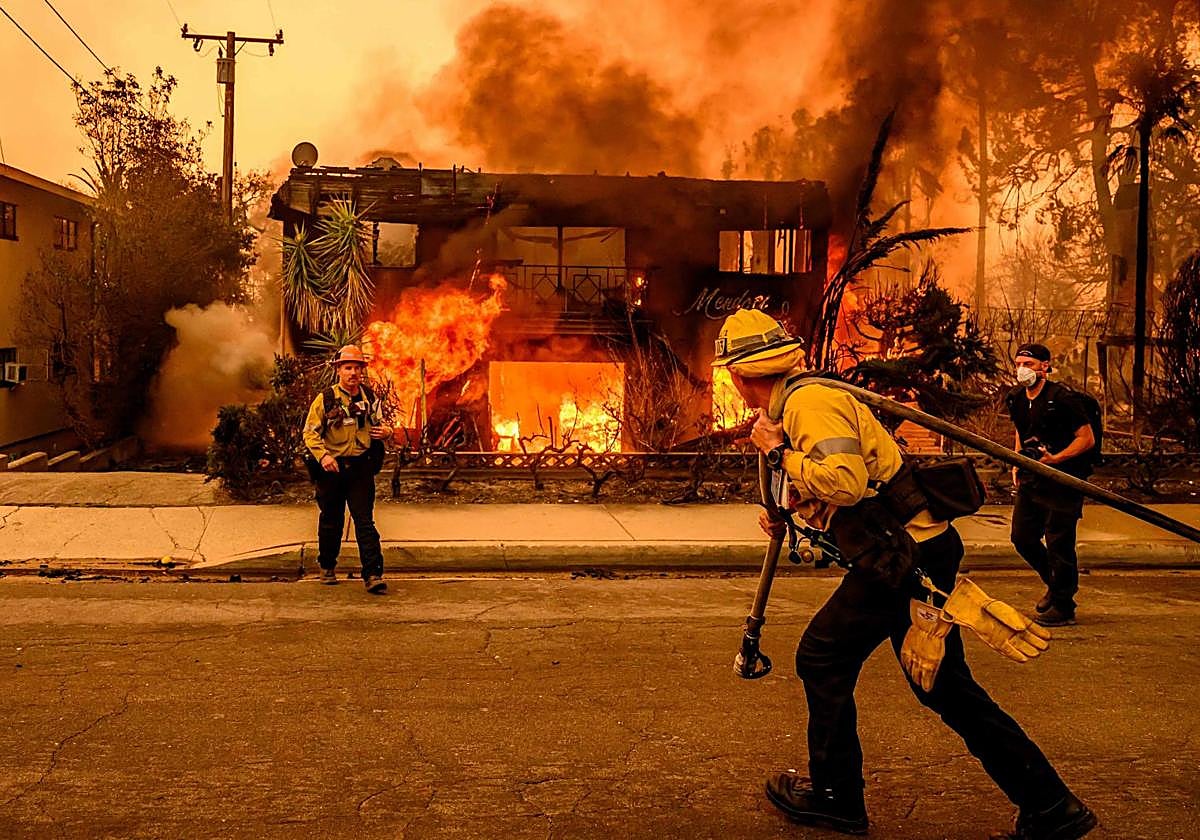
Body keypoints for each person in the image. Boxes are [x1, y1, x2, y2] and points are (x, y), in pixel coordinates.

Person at [714, 309, 1096, 840]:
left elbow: (844, 483)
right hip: (913, 550)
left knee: (822, 656)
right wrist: (796, 503)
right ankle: (1051, 806)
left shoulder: (809, 403)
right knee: (942, 686)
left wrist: (778, 452)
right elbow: (850, 484)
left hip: (903, 558)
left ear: (740, 374)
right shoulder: (801, 401)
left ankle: (835, 796)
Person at [1004, 343, 1096, 627]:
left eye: (1029, 365)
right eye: (1019, 363)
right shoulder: (1016, 397)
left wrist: (1056, 459)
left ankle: (1063, 605)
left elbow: (1086, 438)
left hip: (1063, 479)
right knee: (1023, 538)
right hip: (1032, 478)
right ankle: (1056, 587)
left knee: (1059, 542)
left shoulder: (1063, 398)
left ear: (1045, 366)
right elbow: (1022, 432)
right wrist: (1017, 462)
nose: (1022, 370)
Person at [302, 345, 394, 593]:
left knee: (364, 521)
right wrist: (323, 457)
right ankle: (327, 566)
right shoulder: (326, 399)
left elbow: (381, 424)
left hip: (360, 468)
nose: (353, 373)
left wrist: (387, 432)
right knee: (331, 520)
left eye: (357, 368)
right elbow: (310, 434)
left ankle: (373, 574)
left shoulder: (369, 398)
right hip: (331, 469)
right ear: (339, 370)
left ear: (362, 371)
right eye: (348, 367)